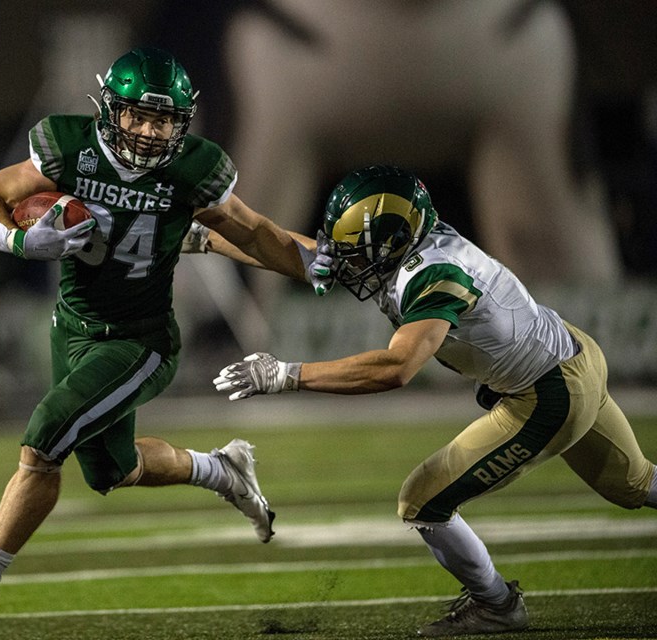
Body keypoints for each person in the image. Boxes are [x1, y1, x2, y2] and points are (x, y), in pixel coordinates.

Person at [0, 46, 315, 634]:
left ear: (182, 123)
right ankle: (222, 469)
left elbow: (254, 234)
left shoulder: (195, 169)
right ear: (109, 111)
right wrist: (22, 245)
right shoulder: (67, 147)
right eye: (138, 117)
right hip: (71, 328)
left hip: (139, 340)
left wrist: (325, 266)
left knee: (45, 437)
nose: (149, 133)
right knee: (111, 470)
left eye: (164, 120)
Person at [210, 165, 657, 637]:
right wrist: (209, 239)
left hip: (547, 391)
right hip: (572, 351)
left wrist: (287, 375)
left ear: (392, 246)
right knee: (633, 482)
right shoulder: (412, 244)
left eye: (357, 253)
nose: (345, 261)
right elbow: (298, 251)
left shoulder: (433, 274)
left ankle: (497, 604)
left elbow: (396, 367)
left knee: (422, 499)